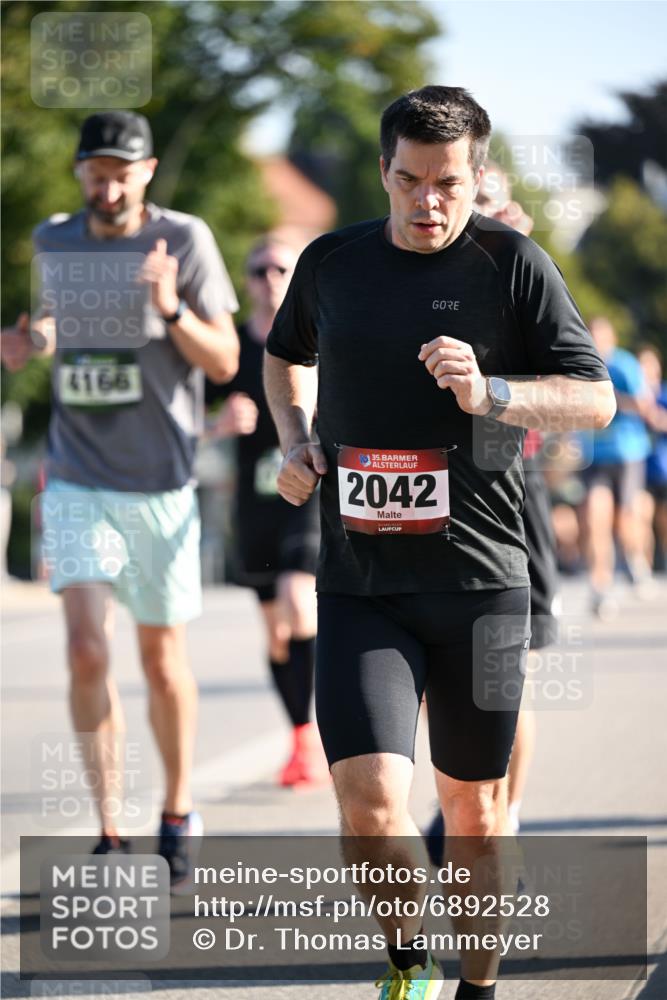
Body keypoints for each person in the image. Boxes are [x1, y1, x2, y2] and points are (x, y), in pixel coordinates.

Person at [264, 86, 615, 1000]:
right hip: (360, 584)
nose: (429, 202)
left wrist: (491, 394)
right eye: (410, 181)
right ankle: (408, 962)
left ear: (477, 178)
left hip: (485, 588)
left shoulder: (513, 265)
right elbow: (281, 352)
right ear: (383, 172)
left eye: (448, 184)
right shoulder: (331, 264)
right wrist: (294, 438)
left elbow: (594, 397)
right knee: (372, 805)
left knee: (474, 812)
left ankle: (479, 987)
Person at [1, 111, 240, 887]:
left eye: (121, 173)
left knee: (161, 659)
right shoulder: (54, 239)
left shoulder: (186, 240)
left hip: (160, 482)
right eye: (95, 173)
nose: (108, 187)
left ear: (147, 171)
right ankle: (110, 828)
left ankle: (176, 806)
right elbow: (48, 325)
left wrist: (170, 308)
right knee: (84, 647)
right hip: (76, 475)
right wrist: (29, 342)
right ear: (80, 174)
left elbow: (227, 357)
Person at [424, 165, 560, 865]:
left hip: (508, 487)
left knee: (504, 674)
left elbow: (569, 384)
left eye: (480, 205)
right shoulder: (423, 275)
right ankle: (466, 803)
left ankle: (501, 819)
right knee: (440, 672)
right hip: (437, 488)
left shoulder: (524, 281)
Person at [206, 234, 327, 787]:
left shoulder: (316, 335)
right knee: (277, 632)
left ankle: (328, 731)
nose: (270, 278)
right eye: (259, 270)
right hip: (255, 506)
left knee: (300, 604)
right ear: (246, 279)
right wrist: (219, 425)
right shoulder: (229, 350)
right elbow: (180, 414)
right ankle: (301, 737)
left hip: (306, 494)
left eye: (281, 268)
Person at [579, 317, 654, 617]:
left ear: (611, 337)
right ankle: (601, 587)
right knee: (596, 518)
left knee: (624, 519)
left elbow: (644, 404)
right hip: (594, 456)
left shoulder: (623, 364)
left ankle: (636, 560)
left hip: (627, 453)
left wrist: (607, 400)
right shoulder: (579, 365)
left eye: (600, 335)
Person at [637, 344, 667, 573]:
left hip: (663, 468)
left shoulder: (663, 394)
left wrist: (655, 417)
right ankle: (643, 569)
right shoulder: (631, 395)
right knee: (642, 518)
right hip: (640, 469)